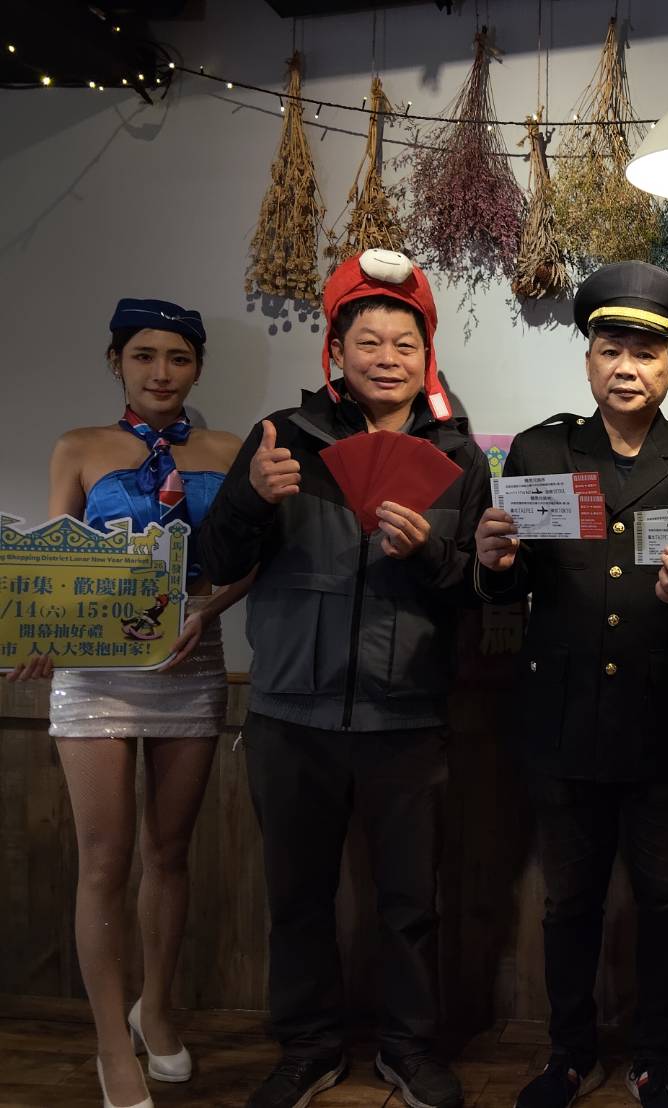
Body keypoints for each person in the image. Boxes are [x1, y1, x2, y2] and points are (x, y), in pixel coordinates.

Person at [198, 250, 489, 1108]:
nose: (387, 357)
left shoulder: (459, 454)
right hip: (290, 713)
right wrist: (250, 498)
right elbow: (214, 564)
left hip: (409, 717)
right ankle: (307, 1047)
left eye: (405, 342)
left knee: (410, 902)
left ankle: (408, 1048)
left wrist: (430, 552)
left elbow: (479, 591)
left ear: (427, 354)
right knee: (297, 898)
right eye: (369, 341)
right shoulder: (279, 438)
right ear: (335, 349)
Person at [474, 261, 668, 1108]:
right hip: (562, 719)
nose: (626, 367)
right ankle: (568, 1053)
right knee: (569, 902)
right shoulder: (541, 450)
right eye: (610, 349)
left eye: (645, 352)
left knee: (667, 900)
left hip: (666, 720)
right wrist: (494, 563)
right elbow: (512, 580)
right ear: (588, 361)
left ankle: (656, 1058)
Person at [6, 299, 247, 1108]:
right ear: (117, 362)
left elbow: (253, 557)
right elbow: (57, 558)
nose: (161, 373)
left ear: (197, 367)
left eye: (178, 357)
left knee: (170, 853)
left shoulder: (229, 450)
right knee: (105, 861)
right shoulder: (77, 446)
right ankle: (113, 1043)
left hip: (190, 658)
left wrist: (207, 609)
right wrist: (39, 630)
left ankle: (158, 1009)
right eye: (143, 356)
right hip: (96, 670)